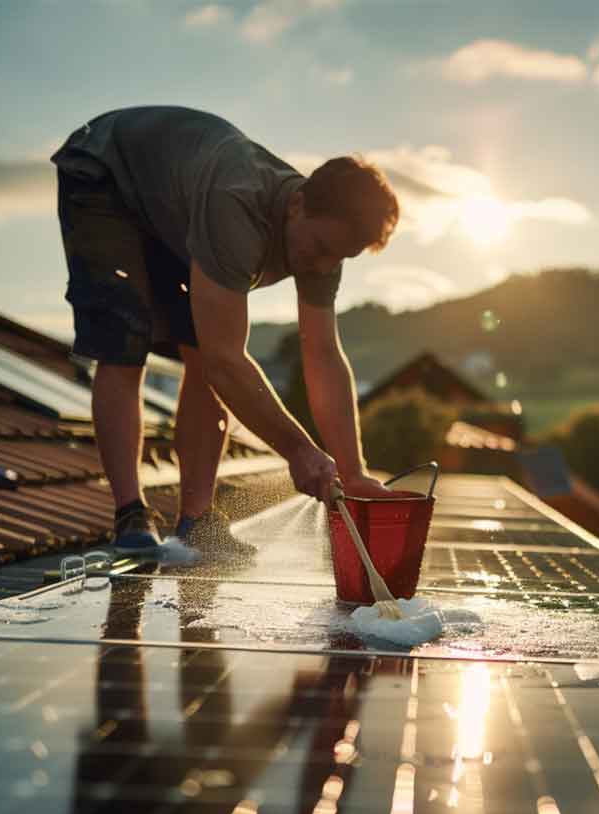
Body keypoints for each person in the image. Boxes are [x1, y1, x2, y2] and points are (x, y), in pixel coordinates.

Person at [51, 105, 401, 562]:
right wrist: (298, 449)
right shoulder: (237, 203)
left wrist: (353, 471)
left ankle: (196, 521)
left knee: (200, 350)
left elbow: (322, 355)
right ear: (297, 203)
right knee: (125, 339)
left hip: (173, 209)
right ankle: (130, 514)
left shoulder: (324, 244)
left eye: (339, 259)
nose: (322, 267)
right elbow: (227, 362)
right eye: (319, 250)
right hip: (105, 174)